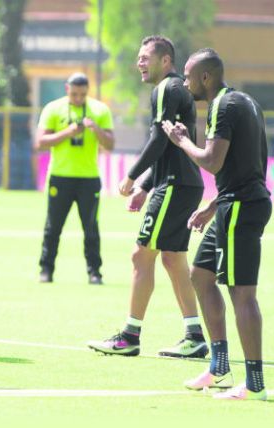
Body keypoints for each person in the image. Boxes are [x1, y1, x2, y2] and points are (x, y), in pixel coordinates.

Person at [86, 35, 208, 358]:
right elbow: (170, 145)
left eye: (145, 57)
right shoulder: (175, 90)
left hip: (175, 185)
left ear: (165, 61)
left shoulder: (166, 88)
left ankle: (129, 336)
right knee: (172, 258)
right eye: (138, 58)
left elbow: (158, 139)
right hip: (183, 183)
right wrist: (145, 186)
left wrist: (132, 176)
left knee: (142, 256)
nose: (139, 63)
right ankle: (194, 336)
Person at [161, 48, 272, 400]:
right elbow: (251, 164)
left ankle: (255, 385)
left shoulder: (223, 106)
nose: (185, 81)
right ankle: (219, 364)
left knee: (242, 293)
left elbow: (211, 161)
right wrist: (214, 205)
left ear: (205, 77)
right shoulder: (245, 101)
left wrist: (181, 142)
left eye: (189, 75)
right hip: (233, 203)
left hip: (242, 207)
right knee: (201, 275)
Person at [35, 73, 115, 284]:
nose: (78, 98)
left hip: (88, 178)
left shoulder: (100, 110)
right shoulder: (53, 108)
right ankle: (46, 270)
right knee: (53, 226)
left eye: (82, 94)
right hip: (60, 177)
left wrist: (95, 128)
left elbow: (110, 144)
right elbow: (40, 142)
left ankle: (94, 272)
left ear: (87, 91)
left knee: (91, 227)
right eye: (74, 94)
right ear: (66, 89)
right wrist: (67, 132)